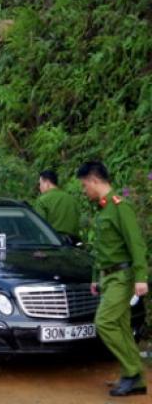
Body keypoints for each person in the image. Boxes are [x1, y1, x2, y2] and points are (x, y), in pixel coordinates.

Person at [77, 161, 148, 397]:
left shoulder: (120, 207)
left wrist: (141, 277)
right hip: (109, 277)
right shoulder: (104, 208)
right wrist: (97, 277)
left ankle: (132, 370)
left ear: (94, 180)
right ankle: (134, 379)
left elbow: (135, 243)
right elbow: (104, 249)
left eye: (84, 184)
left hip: (122, 277)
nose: (84, 189)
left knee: (104, 322)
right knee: (121, 326)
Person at [34, 170, 81, 241]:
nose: (39, 187)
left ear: (47, 183)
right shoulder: (72, 199)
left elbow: (39, 227)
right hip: (72, 243)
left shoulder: (42, 200)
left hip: (52, 243)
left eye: (40, 184)